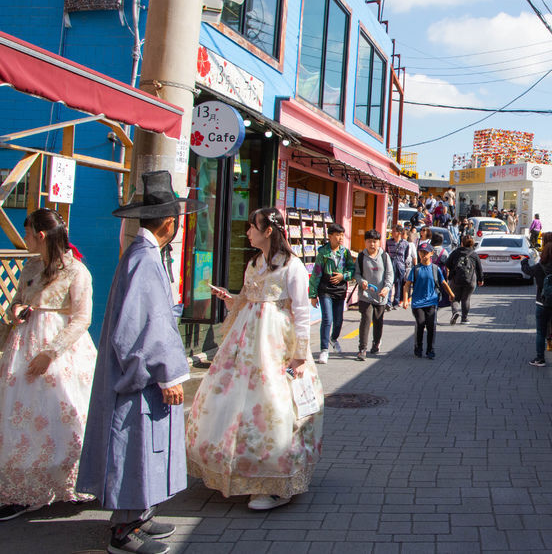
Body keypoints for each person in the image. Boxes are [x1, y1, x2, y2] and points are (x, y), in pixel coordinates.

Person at [77, 171, 205, 554]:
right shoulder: (144, 258)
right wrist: (167, 375)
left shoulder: (141, 255)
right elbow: (142, 328)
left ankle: (140, 514)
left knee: (142, 446)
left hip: (139, 371)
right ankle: (124, 529)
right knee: (133, 445)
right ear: (170, 222)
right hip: (140, 376)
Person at [187, 207, 324, 510]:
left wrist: (300, 354)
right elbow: (248, 299)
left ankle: (276, 482)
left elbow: (302, 312)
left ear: (269, 231)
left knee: (274, 404)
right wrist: (230, 298)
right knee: (233, 401)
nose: (248, 231)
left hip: (276, 345)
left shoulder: (293, 267)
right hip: (245, 344)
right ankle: (242, 472)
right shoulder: (254, 264)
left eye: (253, 226)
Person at [0, 209, 96, 521]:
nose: (24, 239)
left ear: (40, 235)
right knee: (20, 416)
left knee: (64, 411)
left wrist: (50, 353)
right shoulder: (31, 264)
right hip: (22, 348)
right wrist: (17, 310)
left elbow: (82, 318)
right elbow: (18, 299)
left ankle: (71, 480)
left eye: (27, 233)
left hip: (61, 354)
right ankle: (24, 487)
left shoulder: (76, 271)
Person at [309, 223, 355, 363]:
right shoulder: (323, 253)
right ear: (330, 236)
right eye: (337, 235)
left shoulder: (345, 252)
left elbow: (352, 270)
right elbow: (316, 273)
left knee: (339, 320)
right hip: (325, 289)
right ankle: (324, 350)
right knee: (327, 319)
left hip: (340, 289)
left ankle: (333, 339)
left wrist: (344, 276)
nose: (341, 237)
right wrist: (313, 295)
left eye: (342, 235)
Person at [402, 243, 454, 359]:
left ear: (431, 254)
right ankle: (418, 347)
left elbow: (443, 283)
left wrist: (451, 294)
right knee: (420, 323)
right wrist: (405, 300)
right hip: (417, 302)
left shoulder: (435, 269)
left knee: (431, 325)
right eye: (421, 252)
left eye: (426, 252)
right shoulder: (416, 269)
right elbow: (407, 286)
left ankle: (430, 349)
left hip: (432, 301)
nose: (423, 255)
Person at [353, 229, 394, 359]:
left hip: (381, 296)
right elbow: (357, 274)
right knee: (366, 319)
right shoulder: (361, 257)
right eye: (369, 241)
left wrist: (387, 288)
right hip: (365, 295)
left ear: (379, 242)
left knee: (378, 321)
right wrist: (361, 281)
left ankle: (376, 343)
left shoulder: (384, 256)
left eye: (375, 241)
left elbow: (389, 274)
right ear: (365, 242)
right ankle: (362, 349)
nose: (372, 244)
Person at [446, 234, 483, 324]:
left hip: (456, 279)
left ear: (461, 243)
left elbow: (447, 264)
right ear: (472, 244)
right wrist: (480, 279)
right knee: (466, 299)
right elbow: (479, 268)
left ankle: (455, 312)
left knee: (455, 298)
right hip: (470, 280)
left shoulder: (455, 252)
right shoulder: (474, 254)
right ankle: (464, 319)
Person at [386, 227, 410, 309]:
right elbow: (386, 253)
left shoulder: (405, 243)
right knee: (389, 282)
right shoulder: (388, 242)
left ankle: (396, 302)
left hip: (400, 265)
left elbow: (406, 255)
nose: (392, 233)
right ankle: (388, 302)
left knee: (398, 283)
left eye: (393, 231)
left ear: (399, 233)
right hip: (390, 265)